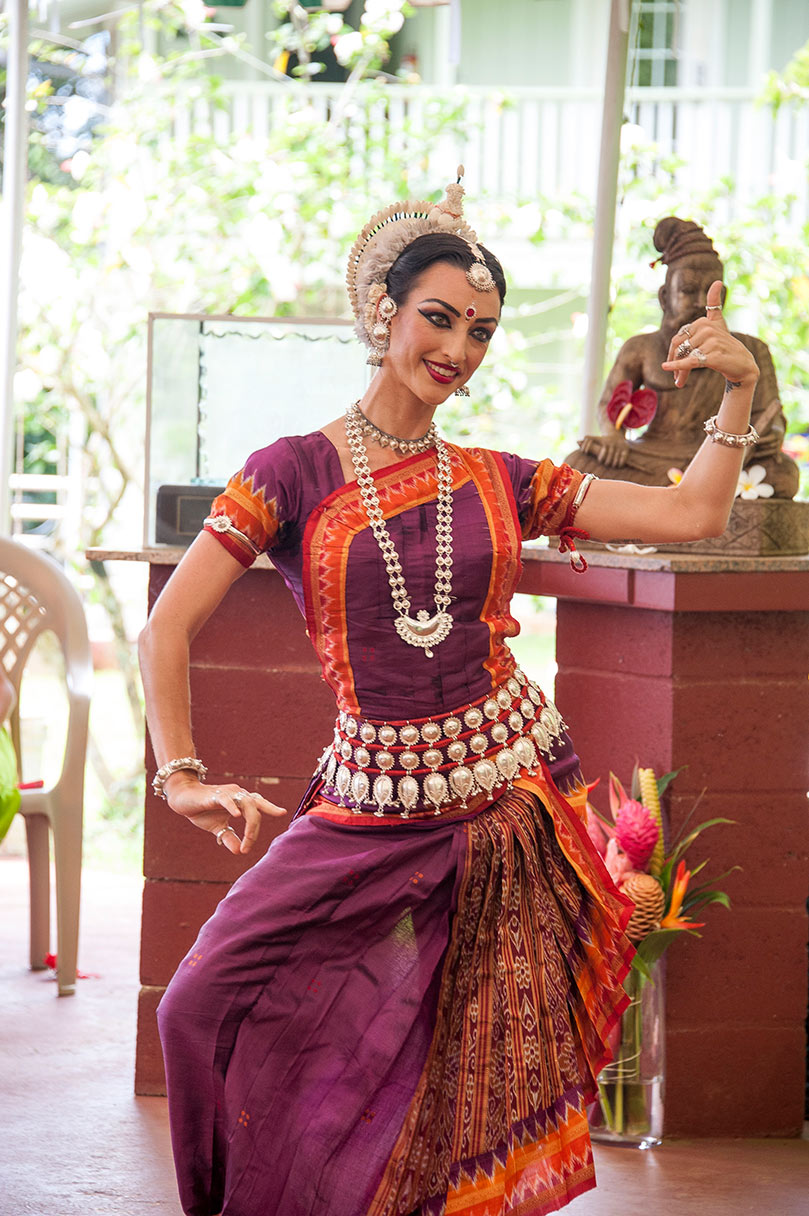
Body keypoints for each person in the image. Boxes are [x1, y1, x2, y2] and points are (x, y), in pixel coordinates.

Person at [139, 171, 761, 1216]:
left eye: (479, 331)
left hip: (503, 806)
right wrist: (182, 775)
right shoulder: (288, 474)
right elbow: (167, 626)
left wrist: (738, 389)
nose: (458, 351)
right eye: (438, 318)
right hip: (364, 804)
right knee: (199, 1005)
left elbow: (693, 515)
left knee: (455, 1061)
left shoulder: (500, 477)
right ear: (379, 313)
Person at [569, 216, 799, 499]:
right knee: (577, 464)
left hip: (723, 454)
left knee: (783, 474)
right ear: (665, 297)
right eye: (688, 291)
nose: (700, 302)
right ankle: (689, 496)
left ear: (723, 298)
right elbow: (609, 404)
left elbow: (770, 416)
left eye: (710, 292)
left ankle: (681, 495)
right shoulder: (640, 348)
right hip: (651, 455)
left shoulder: (750, 349)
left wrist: (767, 436)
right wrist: (614, 438)